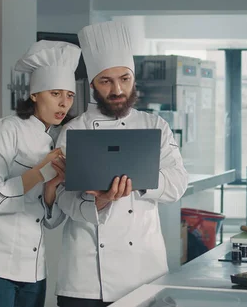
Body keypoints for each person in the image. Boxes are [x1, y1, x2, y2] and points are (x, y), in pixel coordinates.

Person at [51, 21, 189, 307]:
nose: (117, 89)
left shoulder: (155, 125)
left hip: (145, 271)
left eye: (124, 79)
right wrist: (99, 203)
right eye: (106, 81)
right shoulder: (74, 131)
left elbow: (177, 184)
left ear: (133, 79)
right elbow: (63, 198)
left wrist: (139, 181)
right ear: (92, 85)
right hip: (86, 280)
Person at [0, 40, 81, 307]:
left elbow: (49, 222)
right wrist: (40, 172)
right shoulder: (5, 130)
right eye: (55, 93)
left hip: (33, 270)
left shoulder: (57, 140)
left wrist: (51, 189)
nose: (63, 103)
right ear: (35, 94)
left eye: (69, 96)